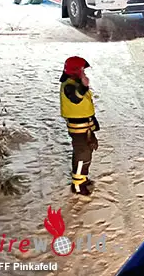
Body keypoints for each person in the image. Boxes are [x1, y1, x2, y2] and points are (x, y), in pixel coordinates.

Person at [60, 56, 100, 196]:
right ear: (76, 71)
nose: (85, 73)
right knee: (82, 155)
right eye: (83, 70)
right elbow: (76, 98)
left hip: (85, 127)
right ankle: (77, 185)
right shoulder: (69, 85)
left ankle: (82, 178)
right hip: (78, 129)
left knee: (86, 154)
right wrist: (84, 85)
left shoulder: (74, 83)